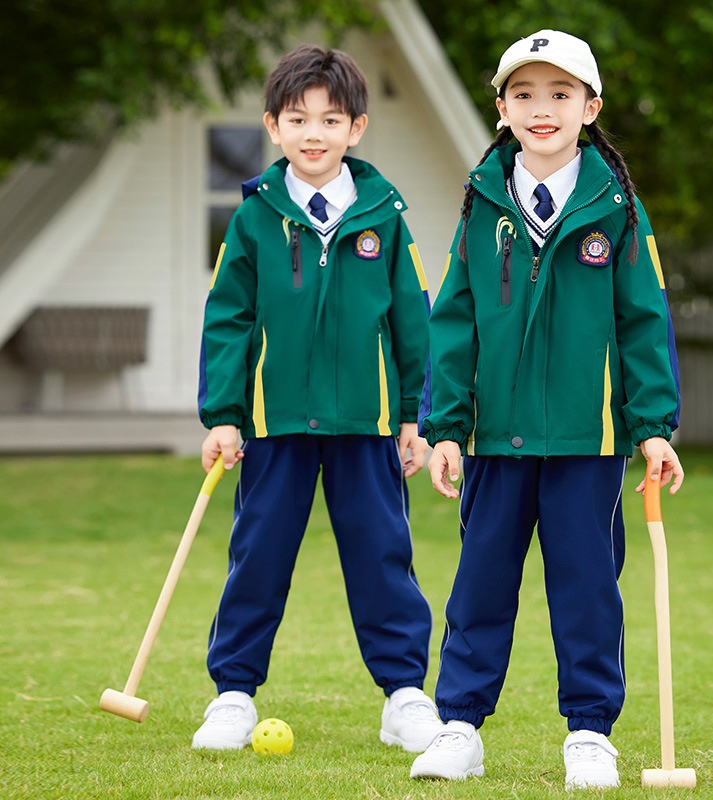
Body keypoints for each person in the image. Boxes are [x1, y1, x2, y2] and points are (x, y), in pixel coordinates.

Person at [410, 30, 683, 788]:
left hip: (587, 441)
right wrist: (444, 429)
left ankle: (590, 733)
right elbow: (453, 322)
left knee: (588, 586)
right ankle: (459, 724)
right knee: (480, 585)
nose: (542, 109)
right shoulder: (480, 206)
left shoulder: (619, 209)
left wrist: (654, 427)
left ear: (590, 107)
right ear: (501, 109)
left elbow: (643, 323)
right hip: (494, 440)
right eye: (524, 94)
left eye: (560, 95)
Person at [193, 44, 442, 754]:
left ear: (356, 128)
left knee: (383, 556)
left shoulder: (384, 218)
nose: (314, 133)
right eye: (298, 118)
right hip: (273, 424)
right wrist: (223, 414)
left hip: (367, 424)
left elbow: (411, 320)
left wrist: (416, 417)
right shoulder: (254, 219)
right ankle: (233, 694)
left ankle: (404, 696)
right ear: (273, 125)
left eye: (330, 120)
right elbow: (228, 319)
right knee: (258, 556)